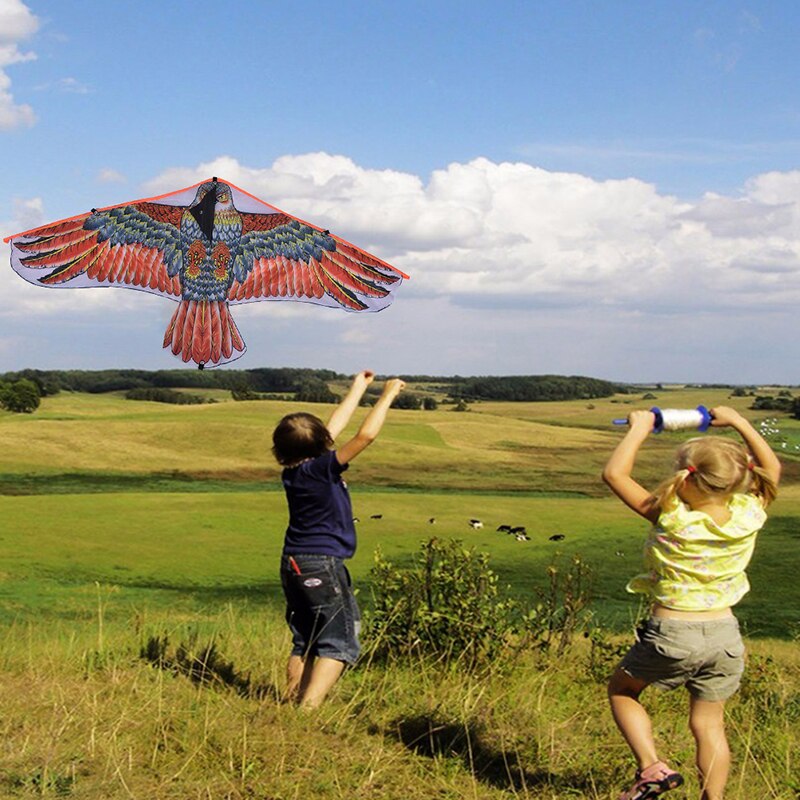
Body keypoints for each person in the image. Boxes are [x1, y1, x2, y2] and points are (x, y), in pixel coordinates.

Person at [602, 406, 780, 800]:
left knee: (622, 691)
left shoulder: (670, 517)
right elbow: (773, 471)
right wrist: (739, 422)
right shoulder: (749, 514)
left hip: (674, 630)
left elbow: (614, 475)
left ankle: (652, 768)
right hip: (725, 636)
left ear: (686, 477)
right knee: (709, 724)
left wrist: (640, 428)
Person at [272, 370, 405, 708]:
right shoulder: (320, 469)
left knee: (306, 640)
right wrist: (387, 395)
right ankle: (307, 711)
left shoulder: (294, 471)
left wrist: (358, 387)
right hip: (322, 563)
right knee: (339, 642)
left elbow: (332, 429)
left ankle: (291, 701)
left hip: (294, 562)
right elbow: (365, 437)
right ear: (321, 445)